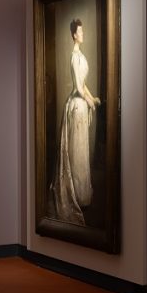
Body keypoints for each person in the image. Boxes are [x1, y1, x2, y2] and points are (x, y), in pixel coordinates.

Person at [52, 19, 101, 225]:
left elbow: (84, 84)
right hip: (76, 107)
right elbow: (78, 88)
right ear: (74, 35)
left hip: (81, 105)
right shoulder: (74, 57)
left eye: (82, 31)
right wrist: (89, 101)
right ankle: (76, 196)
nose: (82, 34)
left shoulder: (80, 56)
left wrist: (92, 98)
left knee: (81, 151)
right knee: (76, 151)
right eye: (80, 32)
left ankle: (83, 195)